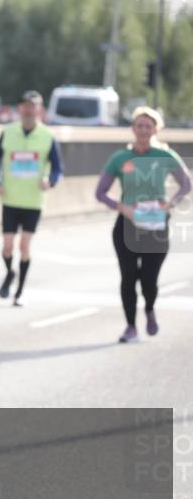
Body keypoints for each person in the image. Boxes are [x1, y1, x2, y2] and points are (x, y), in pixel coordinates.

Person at [95, 107, 190, 343]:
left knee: (148, 278)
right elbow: (100, 192)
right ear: (133, 129)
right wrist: (121, 207)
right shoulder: (120, 158)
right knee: (128, 277)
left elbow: (186, 184)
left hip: (156, 226)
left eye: (148, 126)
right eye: (139, 126)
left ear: (156, 129)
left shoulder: (165, 156)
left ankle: (149, 308)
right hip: (127, 224)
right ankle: (130, 327)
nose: (143, 130)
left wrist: (171, 203)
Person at [0, 90, 64, 305]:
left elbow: (59, 167)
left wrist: (50, 181)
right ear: (20, 109)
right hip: (10, 198)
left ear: (40, 110)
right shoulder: (8, 132)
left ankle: (19, 291)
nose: (29, 110)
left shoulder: (48, 136)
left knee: (24, 246)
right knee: (7, 246)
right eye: (25, 106)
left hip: (33, 201)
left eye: (34, 106)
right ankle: (9, 273)